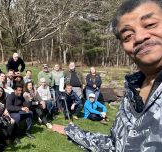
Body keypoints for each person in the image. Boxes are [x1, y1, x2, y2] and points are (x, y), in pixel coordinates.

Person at [51, 0, 162, 151]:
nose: (140, 37)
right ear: (122, 45)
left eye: (150, 24)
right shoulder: (131, 92)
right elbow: (116, 145)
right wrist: (72, 131)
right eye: (128, 35)